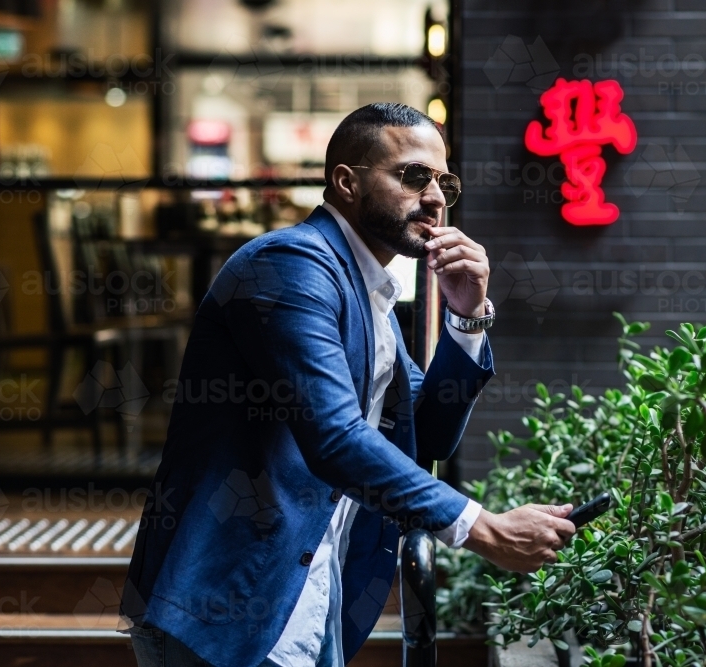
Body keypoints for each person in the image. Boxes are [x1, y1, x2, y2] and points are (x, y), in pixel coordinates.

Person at [119, 103, 577, 667]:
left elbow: (428, 432)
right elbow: (334, 437)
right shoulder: (290, 266)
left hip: (309, 595)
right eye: (414, 176)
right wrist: (480, 528)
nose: (434, 197)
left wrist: (467, 316)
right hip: (228, 605)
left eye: (444, 182)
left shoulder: (369, 298)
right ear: (346, 181)